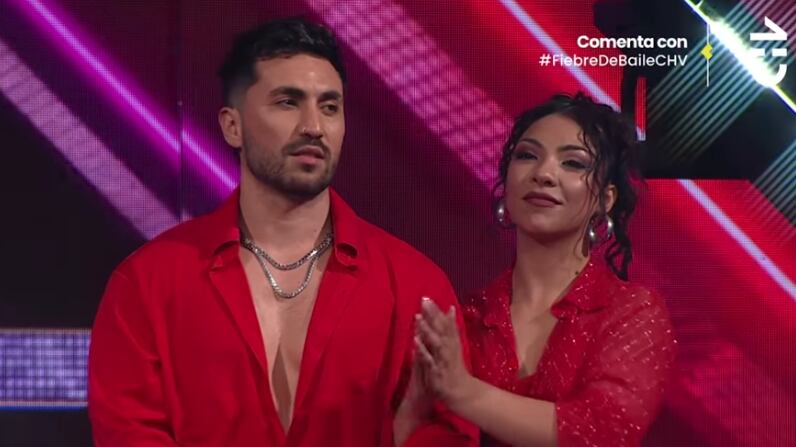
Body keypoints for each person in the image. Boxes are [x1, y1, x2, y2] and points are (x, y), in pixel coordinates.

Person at [88, 17, 476, 447]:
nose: (314, 126)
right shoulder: (147, 284)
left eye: (329, 107)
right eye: (288, 102)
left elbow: (452, 431)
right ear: (233, 126)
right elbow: (128, 433)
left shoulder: (415, 286)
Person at [414, 93, 676, 446]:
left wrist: (464, 393)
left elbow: (604, 429)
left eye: (573, 163)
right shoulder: (469, 316)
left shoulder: (632, 312)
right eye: (527, 156)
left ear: (605, 199)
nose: (544, 174)